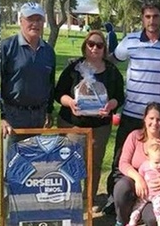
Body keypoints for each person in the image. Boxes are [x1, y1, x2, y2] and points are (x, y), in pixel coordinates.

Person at [105, 0, 160, 209]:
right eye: (147, 16)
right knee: (121, 157)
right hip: (133, 113)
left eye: (155, 16)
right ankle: (115, 198)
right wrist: (89, 59)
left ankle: (155, 198)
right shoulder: (130, 40)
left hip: (159, 118)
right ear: (142, 18)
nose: (151, 21)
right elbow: (113, 59)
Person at [53, 30, 125, 204]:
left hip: (100, 127)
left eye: (99, 45)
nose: (94, 48)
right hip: (72, 124)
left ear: (104, 49)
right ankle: (71, 201)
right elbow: (58, 94)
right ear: (85, 46)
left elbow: (119, 97)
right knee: (70, 162)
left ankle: (89, 200)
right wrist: (70, 102)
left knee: (94, 164)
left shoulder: (111, 71)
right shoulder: (74, 67)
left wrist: (110, 105)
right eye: (91, 44)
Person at [113, 102, 160, 226]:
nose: (154, 123)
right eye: (151, 118)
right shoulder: (134, 136)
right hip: (135, 181)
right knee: (121, 187)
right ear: (144, 119)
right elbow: (123, 163)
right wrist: (138, 178)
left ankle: (141, 216)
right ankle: (121, 220)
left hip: (157, 189)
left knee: (152, 220)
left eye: (159, 119)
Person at [0, 2, 56, 138]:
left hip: (38, 117)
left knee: (33, 158)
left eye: (39, 20)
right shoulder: (6, 47)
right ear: (21, 21)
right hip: (13, 116)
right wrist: (2, 117)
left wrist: (49, 111)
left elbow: (50, 84)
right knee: (13, 158)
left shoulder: (48, 51)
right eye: (30, 19)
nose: (35, 24)